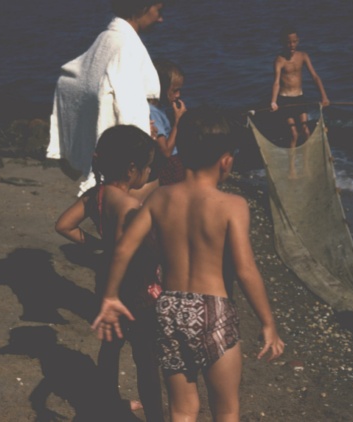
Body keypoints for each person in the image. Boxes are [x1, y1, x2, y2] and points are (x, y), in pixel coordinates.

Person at [92, 106, 285, 421]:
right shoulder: (233, 206)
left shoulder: (160, 198)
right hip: (213, 311)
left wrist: (111, 295)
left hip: (169, 310)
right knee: (226, 410)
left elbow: (124, 248)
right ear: (226, 161)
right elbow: (245, 270)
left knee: (182, 410)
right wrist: (268, 323)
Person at [55, 125, 164, 421]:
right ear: (131, 169)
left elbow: (63, 225)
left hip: (106, 283)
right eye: (147, 166)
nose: (149, 171)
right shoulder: (130, 206)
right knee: (146, 359)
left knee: (111, 346)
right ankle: (156, 416)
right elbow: (132, 251)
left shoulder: (97, 195)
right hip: (136, 290)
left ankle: (108, 405)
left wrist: (97, 245)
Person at [47, 0, 165, 197]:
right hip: (126, 159)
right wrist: (142, 137)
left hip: (109, 147)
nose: (160, 19)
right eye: (158, 11)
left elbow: (71, 81)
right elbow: (128, 103)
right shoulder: (124, 45)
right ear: (143, 8)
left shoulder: (107, 39)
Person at [270, 25, 330, 178]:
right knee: (294, 135)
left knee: (306, 132)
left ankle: (306, 166)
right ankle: (292, 169)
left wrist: (324, 96)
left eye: (294, 41)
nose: (292, 45)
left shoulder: (303, 56)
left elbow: (315, 77)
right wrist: (273, 102)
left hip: (300, 98)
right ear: (282, 42)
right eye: (288, 42)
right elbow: (276, 82)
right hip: (285, 100)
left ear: (298, 41)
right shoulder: (279, 60)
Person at [148, 58, 188, 186]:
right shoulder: (153, 112)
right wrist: (178, 121)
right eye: (174, 91)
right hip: (170, 164)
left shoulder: (158, 109)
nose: (178, 95)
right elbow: (165, 151)